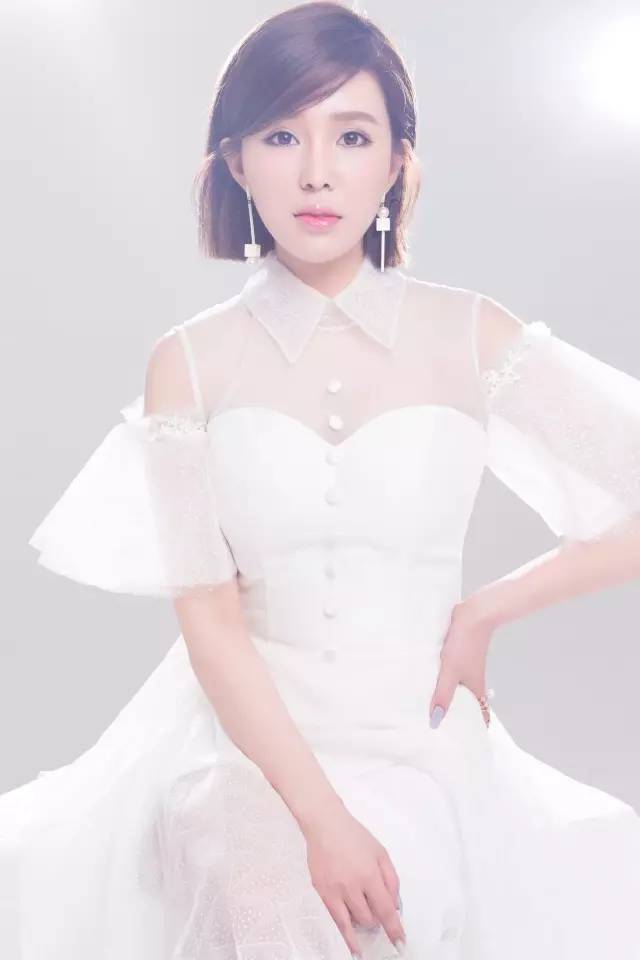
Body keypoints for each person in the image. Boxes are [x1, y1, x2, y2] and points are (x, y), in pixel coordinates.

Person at [2, 2, 640, 957]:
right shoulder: (189, 363)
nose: (315, 171)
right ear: (234, 162)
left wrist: (484, 611)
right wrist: (321, 819)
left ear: (396, 163)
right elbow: (210, 620)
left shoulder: (470, 335)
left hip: (422, 748)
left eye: (351, 136)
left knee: (392, 921)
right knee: (271, 901)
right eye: (280, 135)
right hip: (235, 754)